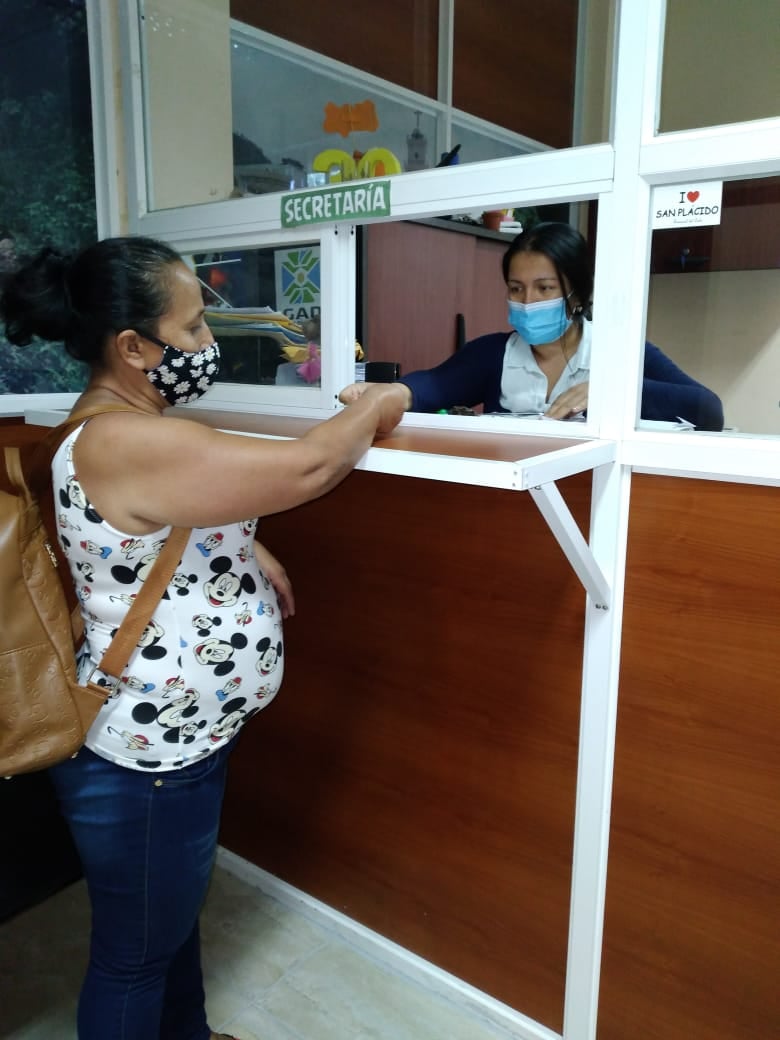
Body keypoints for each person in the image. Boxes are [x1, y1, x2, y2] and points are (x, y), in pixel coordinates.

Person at [0, 235, 405, 1040]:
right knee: (133, 960)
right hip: (141, 760)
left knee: (166, 926)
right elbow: (311, 468)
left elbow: (140, 535)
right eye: (191, 328)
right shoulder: (126, 440)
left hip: (178, 744)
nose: (206, 343)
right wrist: (378, 400)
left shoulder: (114, 429)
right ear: (132, 347)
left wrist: (241, 547)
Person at [339, 221, 725, 430]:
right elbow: (434, 385)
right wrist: (391, 394)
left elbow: (708, 409)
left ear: (577, 292)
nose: (527, 302)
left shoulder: (619, 352)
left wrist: (612, 392)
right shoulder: (493, 353)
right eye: (516, 288)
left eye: (545, 288)